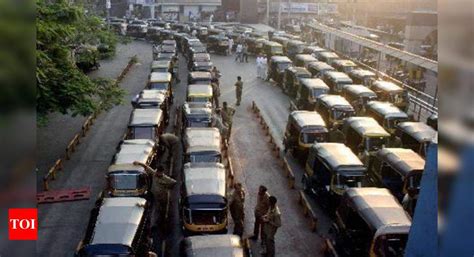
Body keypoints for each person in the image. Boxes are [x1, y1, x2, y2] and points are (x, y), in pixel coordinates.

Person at [133, 162, 176, 227]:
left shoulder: (165, 178)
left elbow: (174, 182)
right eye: (157, 171)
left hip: (161, 196)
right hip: (153, 193)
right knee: (152, 206)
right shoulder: (154, 173)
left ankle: (162, 221)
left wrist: (166, 186)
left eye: (159, 172)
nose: (158, 173)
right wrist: (138, 163)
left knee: (160, 209)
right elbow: (146, 167)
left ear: (162, 172)